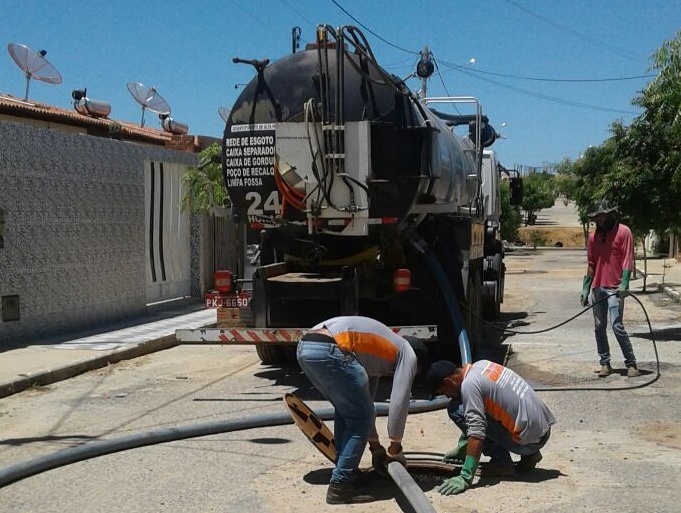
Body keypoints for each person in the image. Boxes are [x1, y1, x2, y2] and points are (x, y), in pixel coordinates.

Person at [296, 316, 429, 505]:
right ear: (418, 363)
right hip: (330, 349)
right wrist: (395, 447)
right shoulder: (407, 353)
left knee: (348, 411)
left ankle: (348, 471)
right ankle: (340, 486)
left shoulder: (377, 352)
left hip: (306, 347)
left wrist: (375, 447)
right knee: (360, 420)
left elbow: (366, 402)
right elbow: (399, 401)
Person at [426, 359, 556, 496]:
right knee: (465, 405)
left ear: (448, 382)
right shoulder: (482, 365)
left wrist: (465, 476)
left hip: (528, 442)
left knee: (455, 408)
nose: (447, 396)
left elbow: (477, 432)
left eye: (444, 392)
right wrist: (462, 448)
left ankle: (502, 462)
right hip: (541, 431)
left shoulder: (469, 385)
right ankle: (530, 454)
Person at [580, 200, 640, 378]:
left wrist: (625, 283)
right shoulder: (593, 237)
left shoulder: (624, 231)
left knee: (617, 326)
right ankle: (605, 363)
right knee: (599, 327)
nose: (600, 219)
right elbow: (591, 263)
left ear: (609, 214)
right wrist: (585, 287)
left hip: (615, 287)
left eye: (602, 215)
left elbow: (628, 259)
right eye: (597, 216)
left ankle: (631, 363)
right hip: (598, 287)